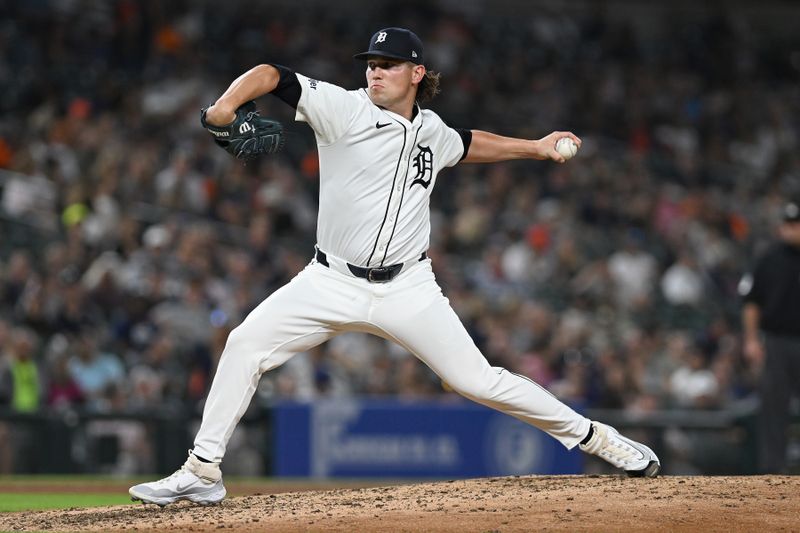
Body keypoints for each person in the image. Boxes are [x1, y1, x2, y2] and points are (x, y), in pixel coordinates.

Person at [129, 27, 660, 507]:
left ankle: (597, 439)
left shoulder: (432, 130)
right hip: (329, 280)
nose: (375, 71)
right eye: (371, 63)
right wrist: (222, 111)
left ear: (417, 73)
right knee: (245, 343)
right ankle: (202, 469)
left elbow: (470, 144)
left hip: (408, 286)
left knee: (477, 380)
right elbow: (270, 75)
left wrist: (536, 148)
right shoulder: (342, 108)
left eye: (388, 63)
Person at [740, 199, 800, 473]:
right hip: (777, 341)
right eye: (788, 224)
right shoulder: (769, 257)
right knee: (773, 408)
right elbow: (752, 301)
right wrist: (751, 340)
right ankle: (773, 474)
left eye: (796, 224)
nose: (792, 230)